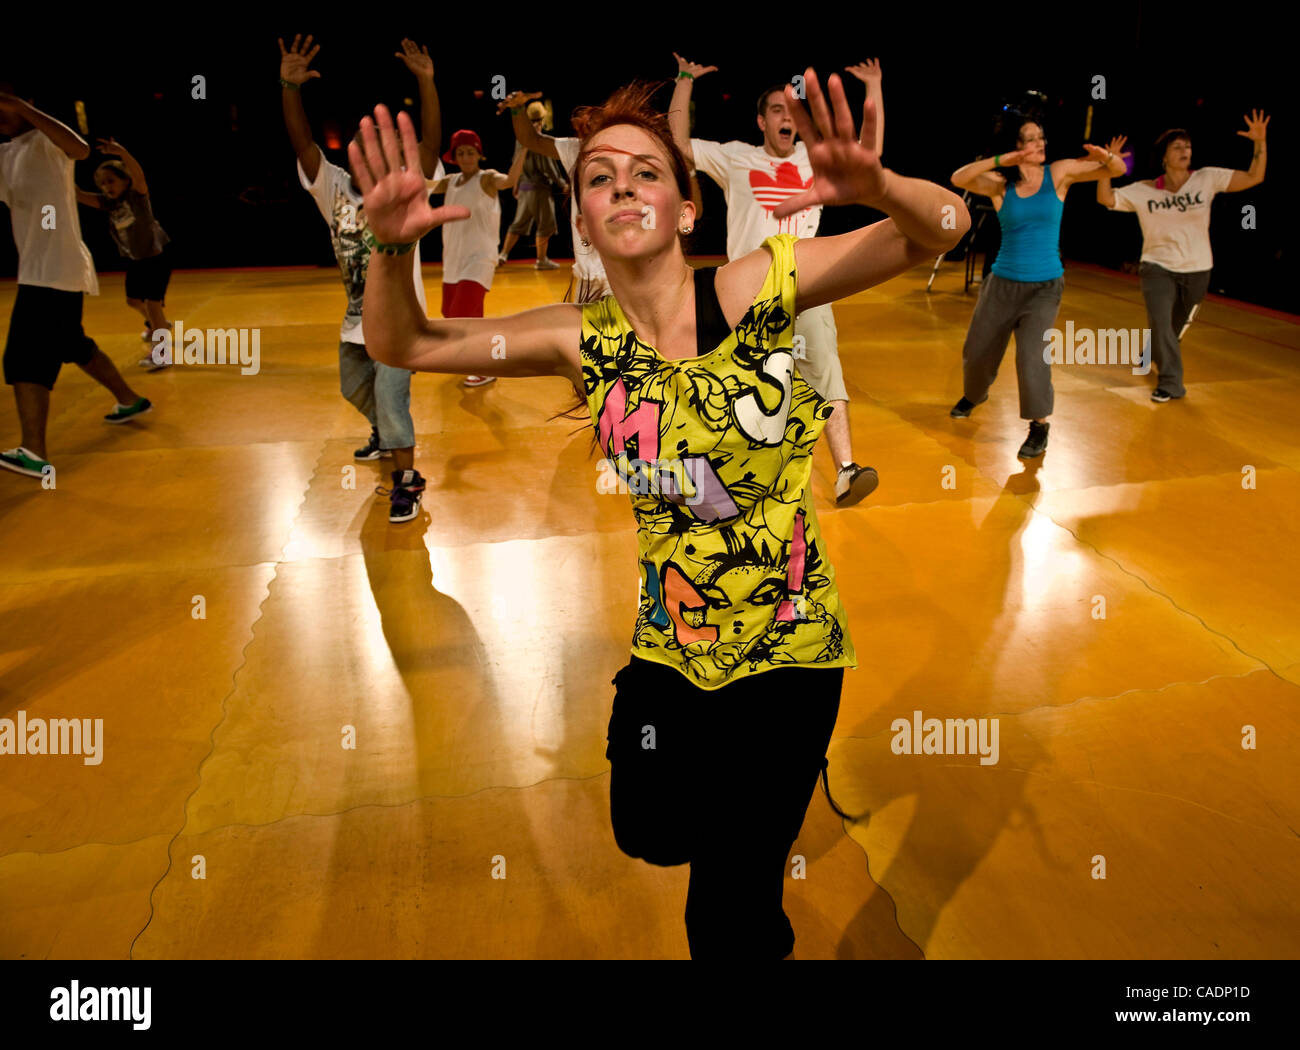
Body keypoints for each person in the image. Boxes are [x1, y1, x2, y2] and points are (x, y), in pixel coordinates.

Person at [347, 71, 968, 958]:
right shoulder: (580, 338)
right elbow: (401, 343)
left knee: (727, 913)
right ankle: (741, 843)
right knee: (648, 832)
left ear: (685, 211)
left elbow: (942, 230)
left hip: (788, 654)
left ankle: (754, 878)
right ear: (586, 221)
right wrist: (385, 248)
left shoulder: (752, 288)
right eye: (599, 177)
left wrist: (880, 191)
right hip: (669, 649)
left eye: (647, 172)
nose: (622, 187)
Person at [669, 54, 884, 507]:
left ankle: (847, 470)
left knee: (824, 369)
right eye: (777, 111)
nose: (787, 117)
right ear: (761, 121)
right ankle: (722, 476)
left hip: (807, 283)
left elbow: (868, 154)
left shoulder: (815, 159)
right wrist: (686, 79)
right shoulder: (736, 157)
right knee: (738, 382)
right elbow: (678, 141)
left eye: (792, 110)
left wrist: (875, 89)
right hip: (746, 289)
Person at [279, 34, 442, 522]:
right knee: (355, 388)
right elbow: (301, 142)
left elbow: (433, 143)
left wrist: (427, 83)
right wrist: (289, 88)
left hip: (399, 323)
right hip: (356, 321)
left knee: (393, 399)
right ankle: (382, 434)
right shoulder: (330, 186)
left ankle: (407, 481)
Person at [949, 117, 1127, 457]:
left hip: (1045, 287)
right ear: (1016, 147)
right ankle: (974, 394)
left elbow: (1117, 170)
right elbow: (958, 178)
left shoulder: (1058, 173)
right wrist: (1002, 161)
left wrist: (1102, 154)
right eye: (1031, 139)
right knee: (976, 356)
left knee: (1033, 358)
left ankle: (1039, 426)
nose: (1040, 143)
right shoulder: (1001, 184)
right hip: (1001, 284)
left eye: (1041, 137)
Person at [0, 87, 151, 480]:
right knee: (73, 343)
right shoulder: (5, 156)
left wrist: (25, 110)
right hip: (45, 269)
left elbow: (80, 149)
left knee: (22, 359)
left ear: (25, 103)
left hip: (53, 269)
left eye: (5, 105)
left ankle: (34, 451)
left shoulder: (47, 141)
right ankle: (129, 400)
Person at [1097, 114, 1268, 402]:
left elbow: (1254, 177)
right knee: (1161, 323)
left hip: (1198, 269)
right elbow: (1106, 199)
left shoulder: (1206, 178)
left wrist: (1260, 142)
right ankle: (1170, 383)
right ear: (1164, 155)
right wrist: (1106, 166)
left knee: (1173, 330)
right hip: (1157, 267)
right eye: (1177, 146)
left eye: (1187, 146)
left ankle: (1150, 354)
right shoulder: (1145, 189)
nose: (1184, 151)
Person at [427, 128, 525, 387]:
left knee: (463, 314)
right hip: (453, 260)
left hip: (480, 258)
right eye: (461, 152)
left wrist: (524, 146)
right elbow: (421, 186)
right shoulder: (450, 182)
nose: (466, 157)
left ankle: (485, 366)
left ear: (479, 154)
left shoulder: (487, 178)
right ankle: (479, 359)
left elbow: (510, 180)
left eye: (470, 152)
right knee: (450, 313)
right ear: (454, 156)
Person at [498, 89, 612, 303]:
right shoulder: (575, 149)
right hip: (589, 274)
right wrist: (517, 109)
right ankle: (530, 257)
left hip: (622, 269)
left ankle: (518, 255)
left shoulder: (625, 152)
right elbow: (530, 139)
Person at [74, 138, 174, 370]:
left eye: (111, 181)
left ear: (124, 180)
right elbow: (78, 194)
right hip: (136, 260)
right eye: (102, 184)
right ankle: (158, 324)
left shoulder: (137, 197)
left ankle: (162, 353)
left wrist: (122, 152)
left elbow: (139, 175)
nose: (106, 187)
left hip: (156, 255)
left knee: (152, 303)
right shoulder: (108, 204)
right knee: (132, 301)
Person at [499, 101, 569, 270]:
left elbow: (516, 162)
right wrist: (561, 183)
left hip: (524, 187)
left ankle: (503, 254)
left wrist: (516, 183)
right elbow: (548, 165)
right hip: (539, 188)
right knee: (546, 225)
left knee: (518, 223)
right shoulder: (538, 139)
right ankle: (541, 259)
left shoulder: (520, 137)